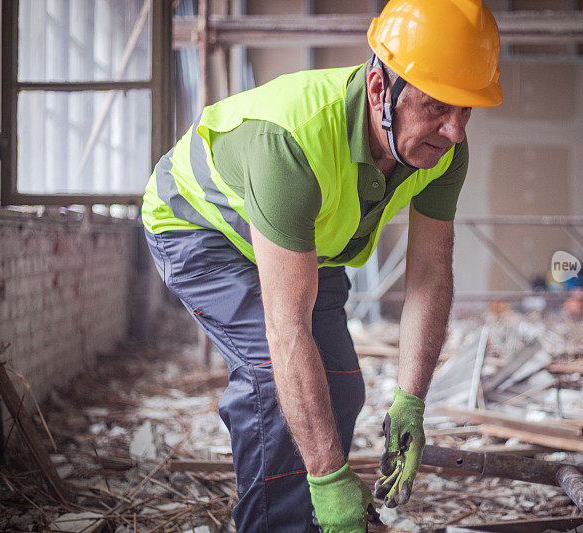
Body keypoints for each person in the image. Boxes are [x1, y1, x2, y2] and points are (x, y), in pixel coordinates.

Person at [141, 0, 501, 530]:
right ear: (381, 90)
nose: (455, 132)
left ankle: (310, 511)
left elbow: (427, 277)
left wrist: (410, 400)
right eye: (437, 106)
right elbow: (287, 329)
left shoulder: (444, 149)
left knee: (340, 388)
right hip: (201, 229)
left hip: (307, 240)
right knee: (274, 381)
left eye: (467, 110)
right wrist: (331, 479)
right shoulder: (291, 139)